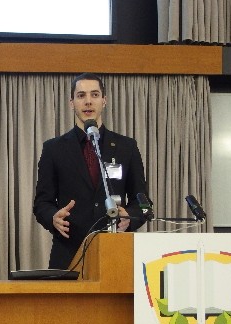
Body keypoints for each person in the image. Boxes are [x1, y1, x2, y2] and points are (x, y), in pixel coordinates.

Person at [33, 73, 147, 269]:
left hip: (114, 254)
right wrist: (53, 217)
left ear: (104, 101)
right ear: (71, 103)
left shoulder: (126, 147)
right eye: (81, 95)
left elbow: (143, 202)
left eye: (94, 95)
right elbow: (42, 203)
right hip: (68, 253)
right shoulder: (54, 149)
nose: (88, 102)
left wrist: (129, 217)